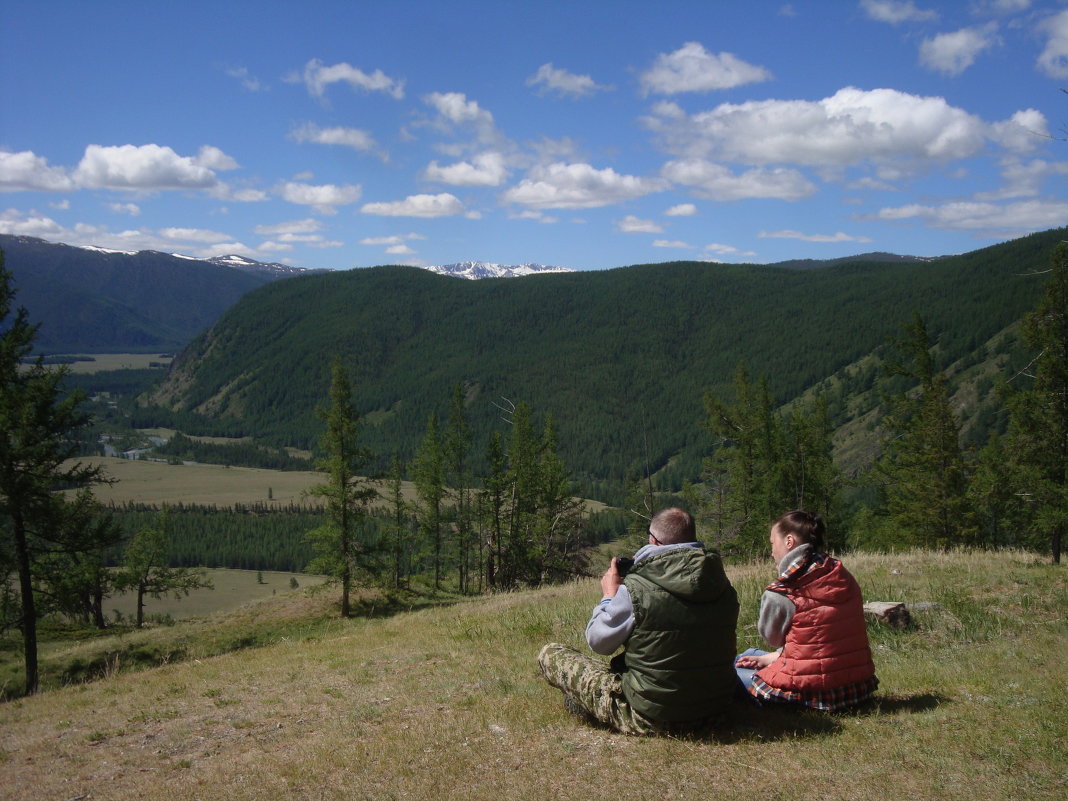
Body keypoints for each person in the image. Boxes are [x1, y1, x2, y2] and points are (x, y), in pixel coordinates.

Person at [538, 507, 739, 735]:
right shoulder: (723, 586)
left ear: (654, 540)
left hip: (651, 717)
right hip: (716, 712)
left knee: (550, 653)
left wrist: (609, 597)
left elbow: (599, 642)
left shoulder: (635, 589)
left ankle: (588, 705)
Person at [735, 510, 878, 711]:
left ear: (789, 541)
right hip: (856, 689)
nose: (771, 551)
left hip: (810, 696)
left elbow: (773, 638)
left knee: (732, 669)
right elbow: (815, 644)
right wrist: (767, 659)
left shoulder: (783, 591)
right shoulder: (841, 574)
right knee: (750, 655)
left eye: (772, 543)